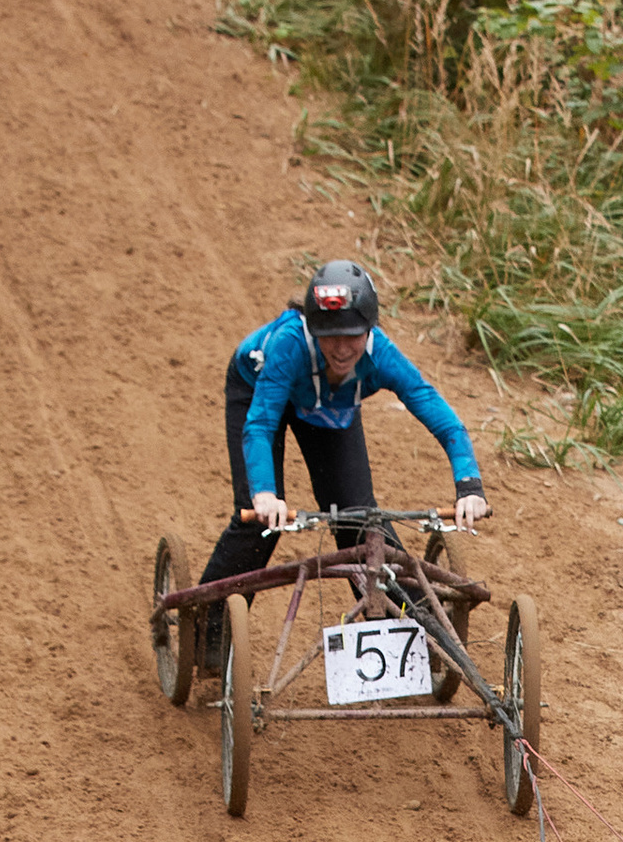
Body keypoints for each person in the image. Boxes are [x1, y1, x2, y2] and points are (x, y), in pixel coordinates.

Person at [194, 260, 488, 667]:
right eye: (331, 335)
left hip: (328, 406)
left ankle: (413, 626)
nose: (343, 347)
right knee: (258, 524)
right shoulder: (290, 345)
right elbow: (260, 423)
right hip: (258, 389)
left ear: (369, 329)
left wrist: (469, 486)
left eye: (353, 335)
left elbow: (438, 414)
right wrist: (264, 494)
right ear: (314, 329)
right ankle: (209, 627)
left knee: (358, 519)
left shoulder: (380, 353)